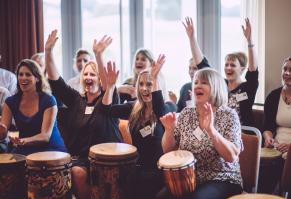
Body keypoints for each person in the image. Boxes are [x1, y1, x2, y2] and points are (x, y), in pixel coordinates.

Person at [45, 30, 122, 199]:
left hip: (108, 158)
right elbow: (57, 83)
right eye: (85, 74)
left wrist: (98, 54)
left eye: (92, 74)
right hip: (81, 158)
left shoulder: (108, 97)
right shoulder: (76, 99)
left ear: (100, 79)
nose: (88, 76)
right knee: (74, 172)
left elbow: (106, 84)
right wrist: (48, 52)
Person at [157, 68, 243, 199]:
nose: (198, 85)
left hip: (222, 177)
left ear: (216, 88)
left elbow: (231, 157)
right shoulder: (187, 113)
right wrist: (169, 130)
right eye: (195, 82)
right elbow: (168, 150)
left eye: (204, 82)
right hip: (190, 177)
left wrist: (211, 131)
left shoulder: (229, 115)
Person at [101, 54, 176, 199]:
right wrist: (111, 87)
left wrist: (154, 77)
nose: (144, 89)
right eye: (141, 84)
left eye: (149, 84)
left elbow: (160, 110)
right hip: (138, 169)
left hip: (160, 172)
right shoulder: (133, 108)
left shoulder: (168, 107)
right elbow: (106, 110)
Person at [184, 17, 258, 126]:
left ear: (242, 69)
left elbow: (253, 72)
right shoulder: (220, 83)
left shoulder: (248, 87)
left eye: (232, 65)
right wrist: (191, 38)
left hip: (243, 133)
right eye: (226, 65)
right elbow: (202, 65)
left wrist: (250, 41)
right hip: (218, 130)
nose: (228, 68)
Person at [0, 59, 67, 155]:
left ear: (37, 78)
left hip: (51, 148)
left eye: (28, 74)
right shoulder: (10, 102)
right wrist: (2, 131)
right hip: (24, 148)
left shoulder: (49, 100)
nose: (23, 78)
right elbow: (2, 134)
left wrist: (24, 141)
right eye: (20, 74)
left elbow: (45, 136)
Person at [261, 56, 291, 194]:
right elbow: (267, 126)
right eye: (284, 69)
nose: (287, 73)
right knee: (264, 171)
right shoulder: (273, 96)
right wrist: (268, 138)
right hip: (276, 145)